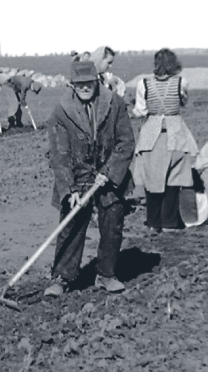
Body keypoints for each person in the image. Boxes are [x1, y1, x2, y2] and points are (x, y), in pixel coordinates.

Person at [45, 60, 135, 297]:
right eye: (79, 84)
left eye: (88, 83)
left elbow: (126, 143)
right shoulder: (60, 112)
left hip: (110, 173)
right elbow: (59, 154)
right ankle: (62, 277)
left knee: (112, 224)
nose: (84, 87)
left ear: (97, 81)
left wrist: (109, 172)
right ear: (71, 85)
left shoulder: (114, 103)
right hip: (77, 174)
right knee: (71, 224)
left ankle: (106, 275)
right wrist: (70, 189)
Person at [129, 48, 200, 233]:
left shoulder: (143, 83)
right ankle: (169, 222)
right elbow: (183, 102)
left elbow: (141, 111)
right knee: (173, 180)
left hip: (151, 133)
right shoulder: (182, 82)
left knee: (152, 179)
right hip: (176, 132)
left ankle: (153, 222)